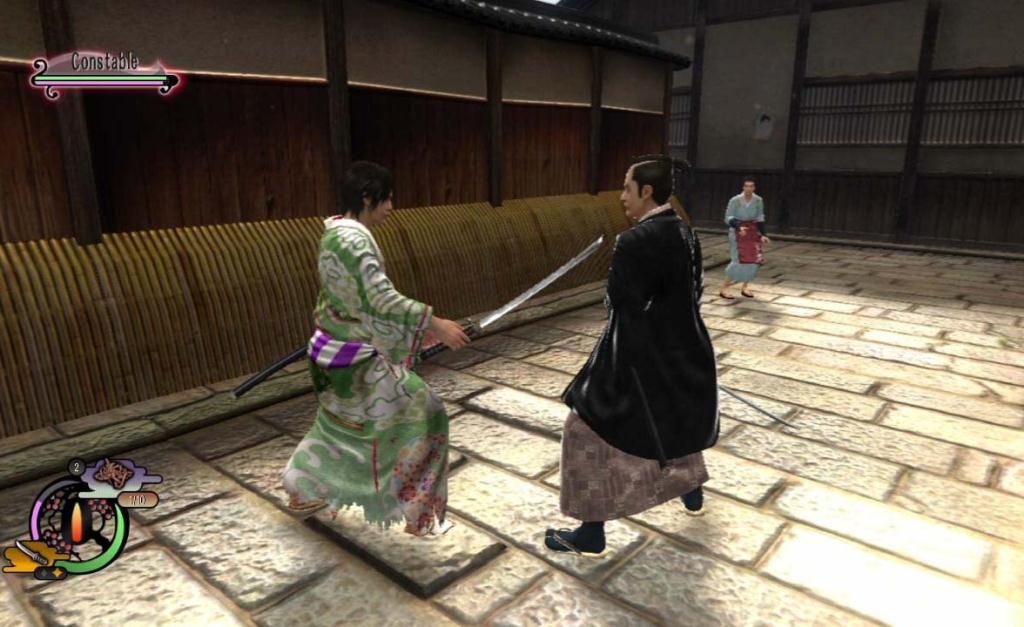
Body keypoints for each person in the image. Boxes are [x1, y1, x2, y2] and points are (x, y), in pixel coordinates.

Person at [281, 161, 471, 537]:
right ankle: (416, 510)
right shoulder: (353, 241)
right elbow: (380, 299)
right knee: (426, 412)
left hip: (330, 356)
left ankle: (300, 486)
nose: (391, 208)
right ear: (367, 198)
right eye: (386, 199)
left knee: (339, 427)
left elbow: (353, 302)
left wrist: (411, 332)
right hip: (355, 363)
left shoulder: (335, 233)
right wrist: (434, 324)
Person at [544, 156, 719, 556]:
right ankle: (691, 490)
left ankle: (590, 533)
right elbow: (694, 292)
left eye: (627, 188)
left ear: (647, 191)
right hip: (686, 350)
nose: (622, 196)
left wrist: (617, 369)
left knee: (582, 428)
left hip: (640, 355)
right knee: (673, 419)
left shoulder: (633, 241)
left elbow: (621, 306)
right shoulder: (684, 231)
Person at [720, 177, 770, 299]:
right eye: (746, 186)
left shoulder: (758, 200)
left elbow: (760, 217)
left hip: (752, 231)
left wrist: (763, 234)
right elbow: (728, 217)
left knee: (753, 259)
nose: (748, 188)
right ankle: (724, 288)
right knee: (737, 259)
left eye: (751, 186)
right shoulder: (735, 200)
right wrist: (738, 227)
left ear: (754, 188)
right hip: (737, 231)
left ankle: (745, 286)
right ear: (743, 187)